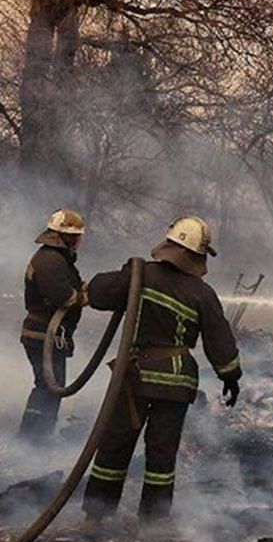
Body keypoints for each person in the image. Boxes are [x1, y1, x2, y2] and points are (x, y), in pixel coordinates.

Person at [81, 216, 242, 522]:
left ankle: (96, 516)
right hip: (176, 383)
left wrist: (94, 286)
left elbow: (100, 292)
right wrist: (230, 376)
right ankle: (153, 522)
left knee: (115, 443)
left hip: (135, 378)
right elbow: (220, 341)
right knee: (161, 453)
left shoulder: (140, 274)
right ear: (198, 255)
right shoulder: (203, 294)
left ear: (169, 244)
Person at [17, 208, 88, 444]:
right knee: (48, 388)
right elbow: (63, 296)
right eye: (77, 236)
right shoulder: (50, 260)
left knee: (50, 387)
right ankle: (32, 441)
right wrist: (85, 296)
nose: (80, 241)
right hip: (44, 334)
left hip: (48, 334)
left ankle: (36, 439)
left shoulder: (56, 259)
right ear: (67, 237)